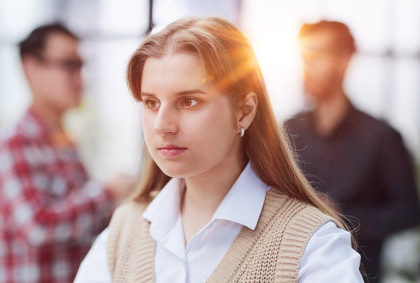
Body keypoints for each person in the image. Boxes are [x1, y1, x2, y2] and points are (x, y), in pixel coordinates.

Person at [75, 16, 364, 282]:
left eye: (188, 101)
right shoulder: (124, 231)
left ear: (244, 112)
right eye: (151, 103)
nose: (162, 125)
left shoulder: (313, 247)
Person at [0, 23, 136, 283]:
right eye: (69, 65)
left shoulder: (65, 142)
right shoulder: (12, 145)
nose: (81, 78)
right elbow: (38, 228)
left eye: (81, 66)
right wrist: (108, 192)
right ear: (31, 68)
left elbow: (79, 226)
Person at [284, 20, 420, 283]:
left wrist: (343, 216)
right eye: (304, 56)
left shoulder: (382, 137)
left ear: (344, 60)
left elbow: (409, 211)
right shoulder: (288, 131)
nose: (307, 67)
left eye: (318, 55)